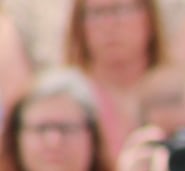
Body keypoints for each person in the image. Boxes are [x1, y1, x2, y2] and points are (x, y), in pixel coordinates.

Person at [63, 0, 171, 158]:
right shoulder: (68, 101)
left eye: (121, 10)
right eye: (97, 13)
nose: (109, 24)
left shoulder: (177, 93)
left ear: (149, 17)